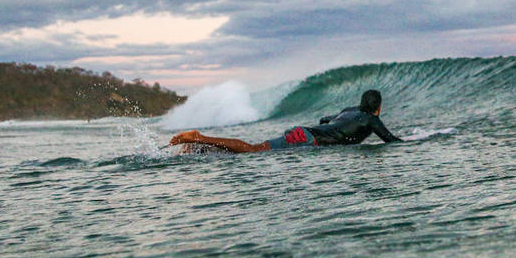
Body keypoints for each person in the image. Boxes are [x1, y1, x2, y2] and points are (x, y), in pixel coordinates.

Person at [169, 89, 402, 153]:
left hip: (303, 132)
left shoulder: (350, 110)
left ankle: (198, 147)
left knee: (254, 149)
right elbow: (391, 141)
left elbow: (324, 118)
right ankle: (199, 138)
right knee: (252, 150)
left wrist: (335, 134)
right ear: (378, 108)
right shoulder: (371, 120)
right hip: (306, 139)